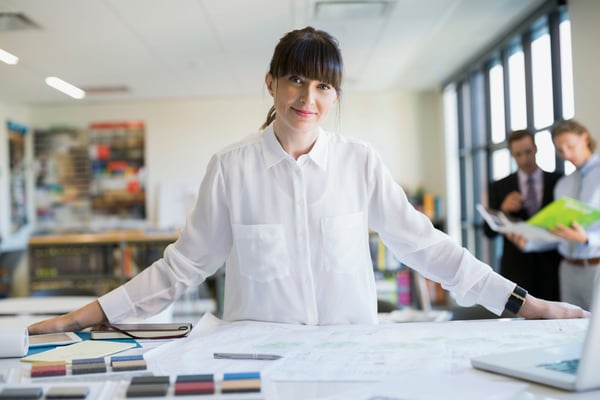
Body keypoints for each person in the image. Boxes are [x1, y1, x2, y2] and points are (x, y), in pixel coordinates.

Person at [28, 27, 587, 335]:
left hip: (351, 359)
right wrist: (90, 314)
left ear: (335, 96)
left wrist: (523, 303)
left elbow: (426, 247)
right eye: (296, 80)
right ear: (271, 84)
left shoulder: (360, 162)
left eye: (322, 87)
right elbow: (185, 266)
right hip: (256, 366)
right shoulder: (230, 168)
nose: (307, 98)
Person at [483, 130, 562, 301]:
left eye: (528, 152)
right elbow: (488, 232)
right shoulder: (498, 187)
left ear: (536, 148)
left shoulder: (558, 181)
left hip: (552, 269)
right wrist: (503, 209)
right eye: (518, 154)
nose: (524, 159)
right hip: (515, 270)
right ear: (512, 155)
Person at [549, 119, 600, 310]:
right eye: (561, 150)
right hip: (567, 269)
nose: (567, 154)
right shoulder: (563, 185)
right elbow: (558, 232)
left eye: (570, 146)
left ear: (585, 138)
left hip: (596, 267)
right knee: (570, 327)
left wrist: (587, 238)